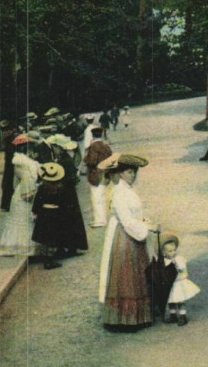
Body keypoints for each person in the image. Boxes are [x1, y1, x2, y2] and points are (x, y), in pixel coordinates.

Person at [98, 153, 157, 331]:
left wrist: (146, 222)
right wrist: (145, 229)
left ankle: (138, 315)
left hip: (132, 231)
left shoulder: (128, 190)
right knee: (125, 273)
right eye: (130, 172)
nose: (133, 175)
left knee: (136, 272)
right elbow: (126, 220)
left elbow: (135, 215)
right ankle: (124, 319)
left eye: (135, 172)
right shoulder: (119, 193)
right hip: (124, 235)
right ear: (121, 173)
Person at [0, 135, 42, 257]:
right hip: (24, 192)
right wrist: (30, 192)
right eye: (29, 147)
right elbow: (26, 179)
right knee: (22, 220)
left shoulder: (25, 160)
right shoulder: (21, 161)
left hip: (25, 190)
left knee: (25, 219)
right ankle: (20, 247)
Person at [159, 232, 200, 325]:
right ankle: (173, 315)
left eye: (174, 250)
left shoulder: (178, 259)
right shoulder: (163, 261)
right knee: (171, 300)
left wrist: (175, 264)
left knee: (179, 299)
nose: (173, 253)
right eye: (170, 251)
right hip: (169, 284)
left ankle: (183, 315)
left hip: (178, 282)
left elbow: (182, 268)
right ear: (163, 252)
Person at [83, 127, 113, 228]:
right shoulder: (106, 146)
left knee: (96, 198)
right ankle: (103, 219)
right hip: (106, 174)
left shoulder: (93, 147)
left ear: (92, 135)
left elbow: (91, 161)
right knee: (102, 197)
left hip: (96, 175)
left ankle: (100, 220)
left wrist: (85, 159)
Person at [0, 121, 17, 212]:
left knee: (9, 184)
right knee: (6, 184)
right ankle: (6, 204)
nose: (5, 132)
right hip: (8, 163)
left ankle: (8, 204)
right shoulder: (8, 138)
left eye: (7, 130)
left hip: (12, 163)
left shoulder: (14, 138)